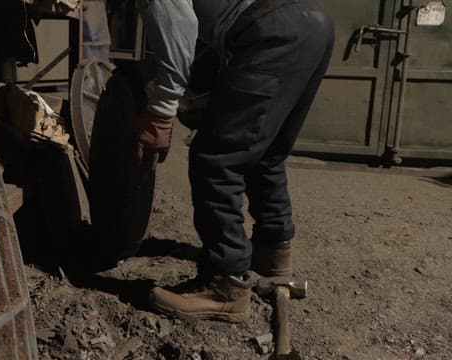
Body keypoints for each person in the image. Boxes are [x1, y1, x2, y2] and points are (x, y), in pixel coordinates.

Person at [135, 0, 334, 322]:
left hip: (271, 29)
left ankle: (227, 285)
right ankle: (273, 251)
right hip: (312, 21)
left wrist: (161, 111)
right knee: (266, 152)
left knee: (215, 159)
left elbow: (178, 28)